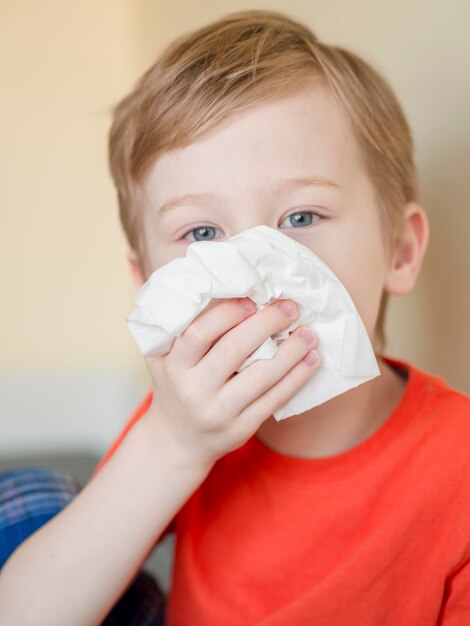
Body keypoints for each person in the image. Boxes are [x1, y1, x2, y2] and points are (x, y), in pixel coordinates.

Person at [1, 9, 469, 625]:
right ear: (149, 286)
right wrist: (172, 445)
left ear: (401, 252)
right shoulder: (182, 424)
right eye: (202, 233)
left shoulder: (456, 466)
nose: (254, 268)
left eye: (300, 217)